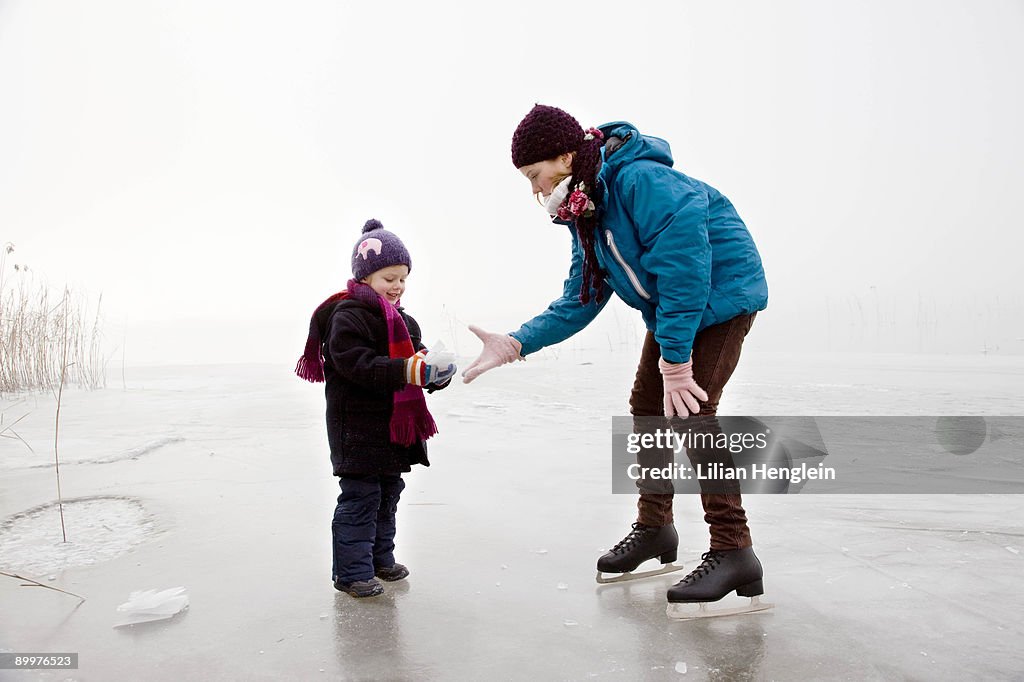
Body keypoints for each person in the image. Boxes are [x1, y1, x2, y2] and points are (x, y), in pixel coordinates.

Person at [462, 104, 769, 610]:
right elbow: (581, 297)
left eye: (535, 176)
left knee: (692, 410)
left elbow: (686, 269)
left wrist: (675, 363)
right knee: (647, 408)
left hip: (721, 295)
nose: (535, 191)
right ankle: (655, 530)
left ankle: (735, 550)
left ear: (564, 157)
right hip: (677, 307)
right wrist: (516, 342)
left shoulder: (640, 181)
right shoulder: (589, 209)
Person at [296, 219, 456, 598]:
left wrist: (434, 373)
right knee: (361, 498)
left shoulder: (404, 321)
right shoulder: (347, 316)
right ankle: (351, 573)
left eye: (402, 278)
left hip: (390, 431)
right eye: (389, 278)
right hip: (356, 429)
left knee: (388, 493)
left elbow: (413, 367)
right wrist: (407, 369)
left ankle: (380, 559)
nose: (397, 286)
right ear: (365, 276)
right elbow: (357, 364)